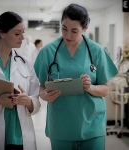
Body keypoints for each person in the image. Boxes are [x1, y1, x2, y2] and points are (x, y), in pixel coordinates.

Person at [34, 4, 118, 150]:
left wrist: (90, 87)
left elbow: (105, 90)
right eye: (64, 28)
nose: (68, 35)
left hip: (92, 125)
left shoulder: (96, 51)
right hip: (61, 126)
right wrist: (43, 95)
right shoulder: (48, 51)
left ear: (85, 27)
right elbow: (40, 85)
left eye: (74, 31)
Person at [0, 12, 40, 150]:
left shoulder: (26, 63)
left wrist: (29, 101)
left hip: (21, 137)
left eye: (23, 33)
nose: (23, 37)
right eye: (17, 33)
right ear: (2, 33)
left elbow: (36, 100)